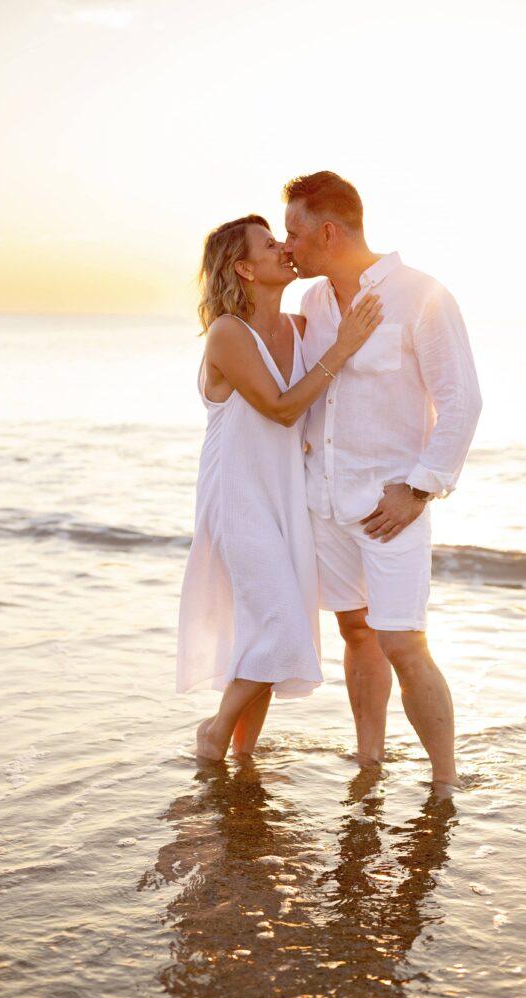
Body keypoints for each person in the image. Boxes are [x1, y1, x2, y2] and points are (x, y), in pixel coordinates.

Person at [282, 171, 483, 787]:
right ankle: (368, 759)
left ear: (328, 231)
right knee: (356, 631)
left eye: (293, 233)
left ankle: (445, 781)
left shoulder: (420, 295)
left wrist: (419, 489)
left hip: (390, 503)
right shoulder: (314, 304)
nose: (288, 245)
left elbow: (462, 401)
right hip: (326, 501)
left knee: (403, 641)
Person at [175, 214, 383, 761]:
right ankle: (216, 732)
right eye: (269, 245)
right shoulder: (227, 333)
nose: (284, 249)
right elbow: (284, 408)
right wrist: (344, 345)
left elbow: (322, 409)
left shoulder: (296, 327)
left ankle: (241, 754)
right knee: (282, 625)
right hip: (238, 499)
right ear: (244, 268)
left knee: (264, 627)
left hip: (288, 496)